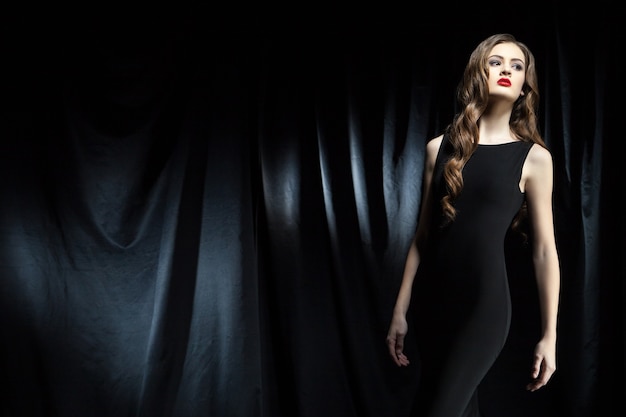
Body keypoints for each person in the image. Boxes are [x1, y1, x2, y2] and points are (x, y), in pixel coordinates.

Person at [385, 33, 560, 417]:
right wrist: (401, 310)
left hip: (485, 306)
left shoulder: (534, 159)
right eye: (496, 62)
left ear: (524, 86)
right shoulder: (438, 148)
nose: (506, 71)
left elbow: (545, 250)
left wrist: (550, 335)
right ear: (478, 72)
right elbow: (422, 238)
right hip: (434, 305)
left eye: (517, 67)